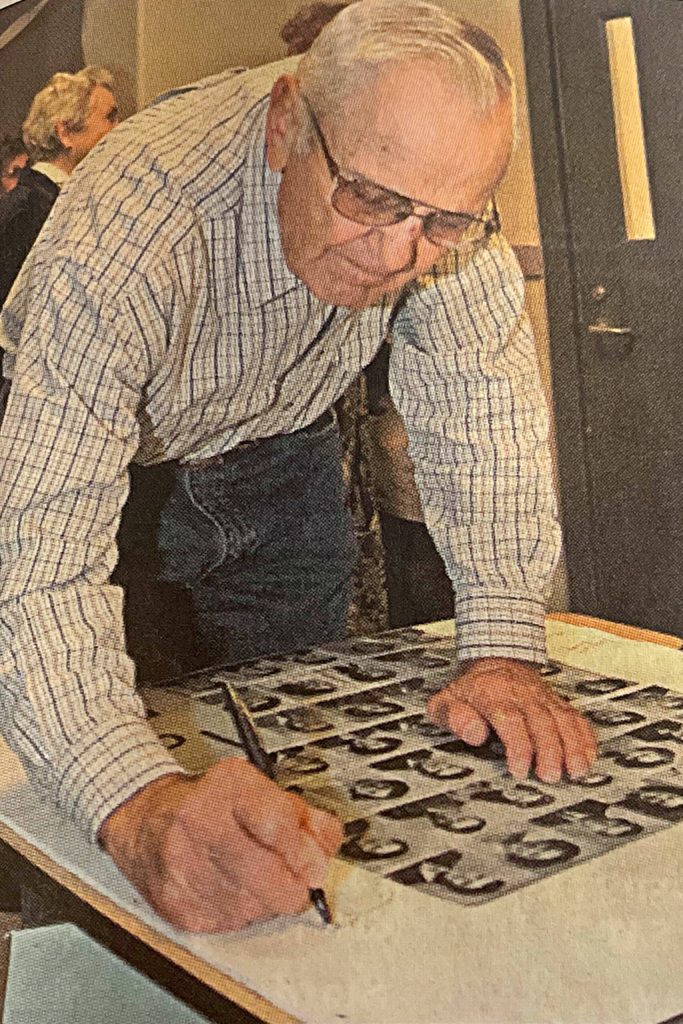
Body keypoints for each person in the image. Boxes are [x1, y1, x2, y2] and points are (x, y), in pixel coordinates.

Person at [0, 1, 597, 934]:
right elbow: (35, 560)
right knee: (103, 807)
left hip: (282, 458)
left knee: (297, 753)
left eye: (440, 222)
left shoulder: (439, 207)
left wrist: (501, 647)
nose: (399, 254)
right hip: (115, 479)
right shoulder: (132, 222)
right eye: (367, 199)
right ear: (285, 126)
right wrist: (132, 803)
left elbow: (480, 412)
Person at [0, 67, 119, 309]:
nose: (120, 128)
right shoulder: (25, 211)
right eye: (110, 117)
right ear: (64, 132)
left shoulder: (58, 199)